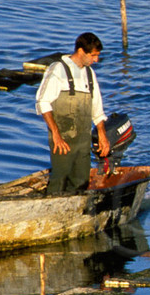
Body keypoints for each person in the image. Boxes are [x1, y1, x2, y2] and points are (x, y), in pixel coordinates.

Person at [35, 32, 111, 195]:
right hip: (63, 140)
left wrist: (102, 134)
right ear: (81, 51)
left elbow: (97, 109)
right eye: (94, 55)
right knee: (60, 180)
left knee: (81, 182)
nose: (96, 60)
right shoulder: (58, 70)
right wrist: (56, 134)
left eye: (98, 56)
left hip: (83, 141)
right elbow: (43, 102)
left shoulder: (90, 74)